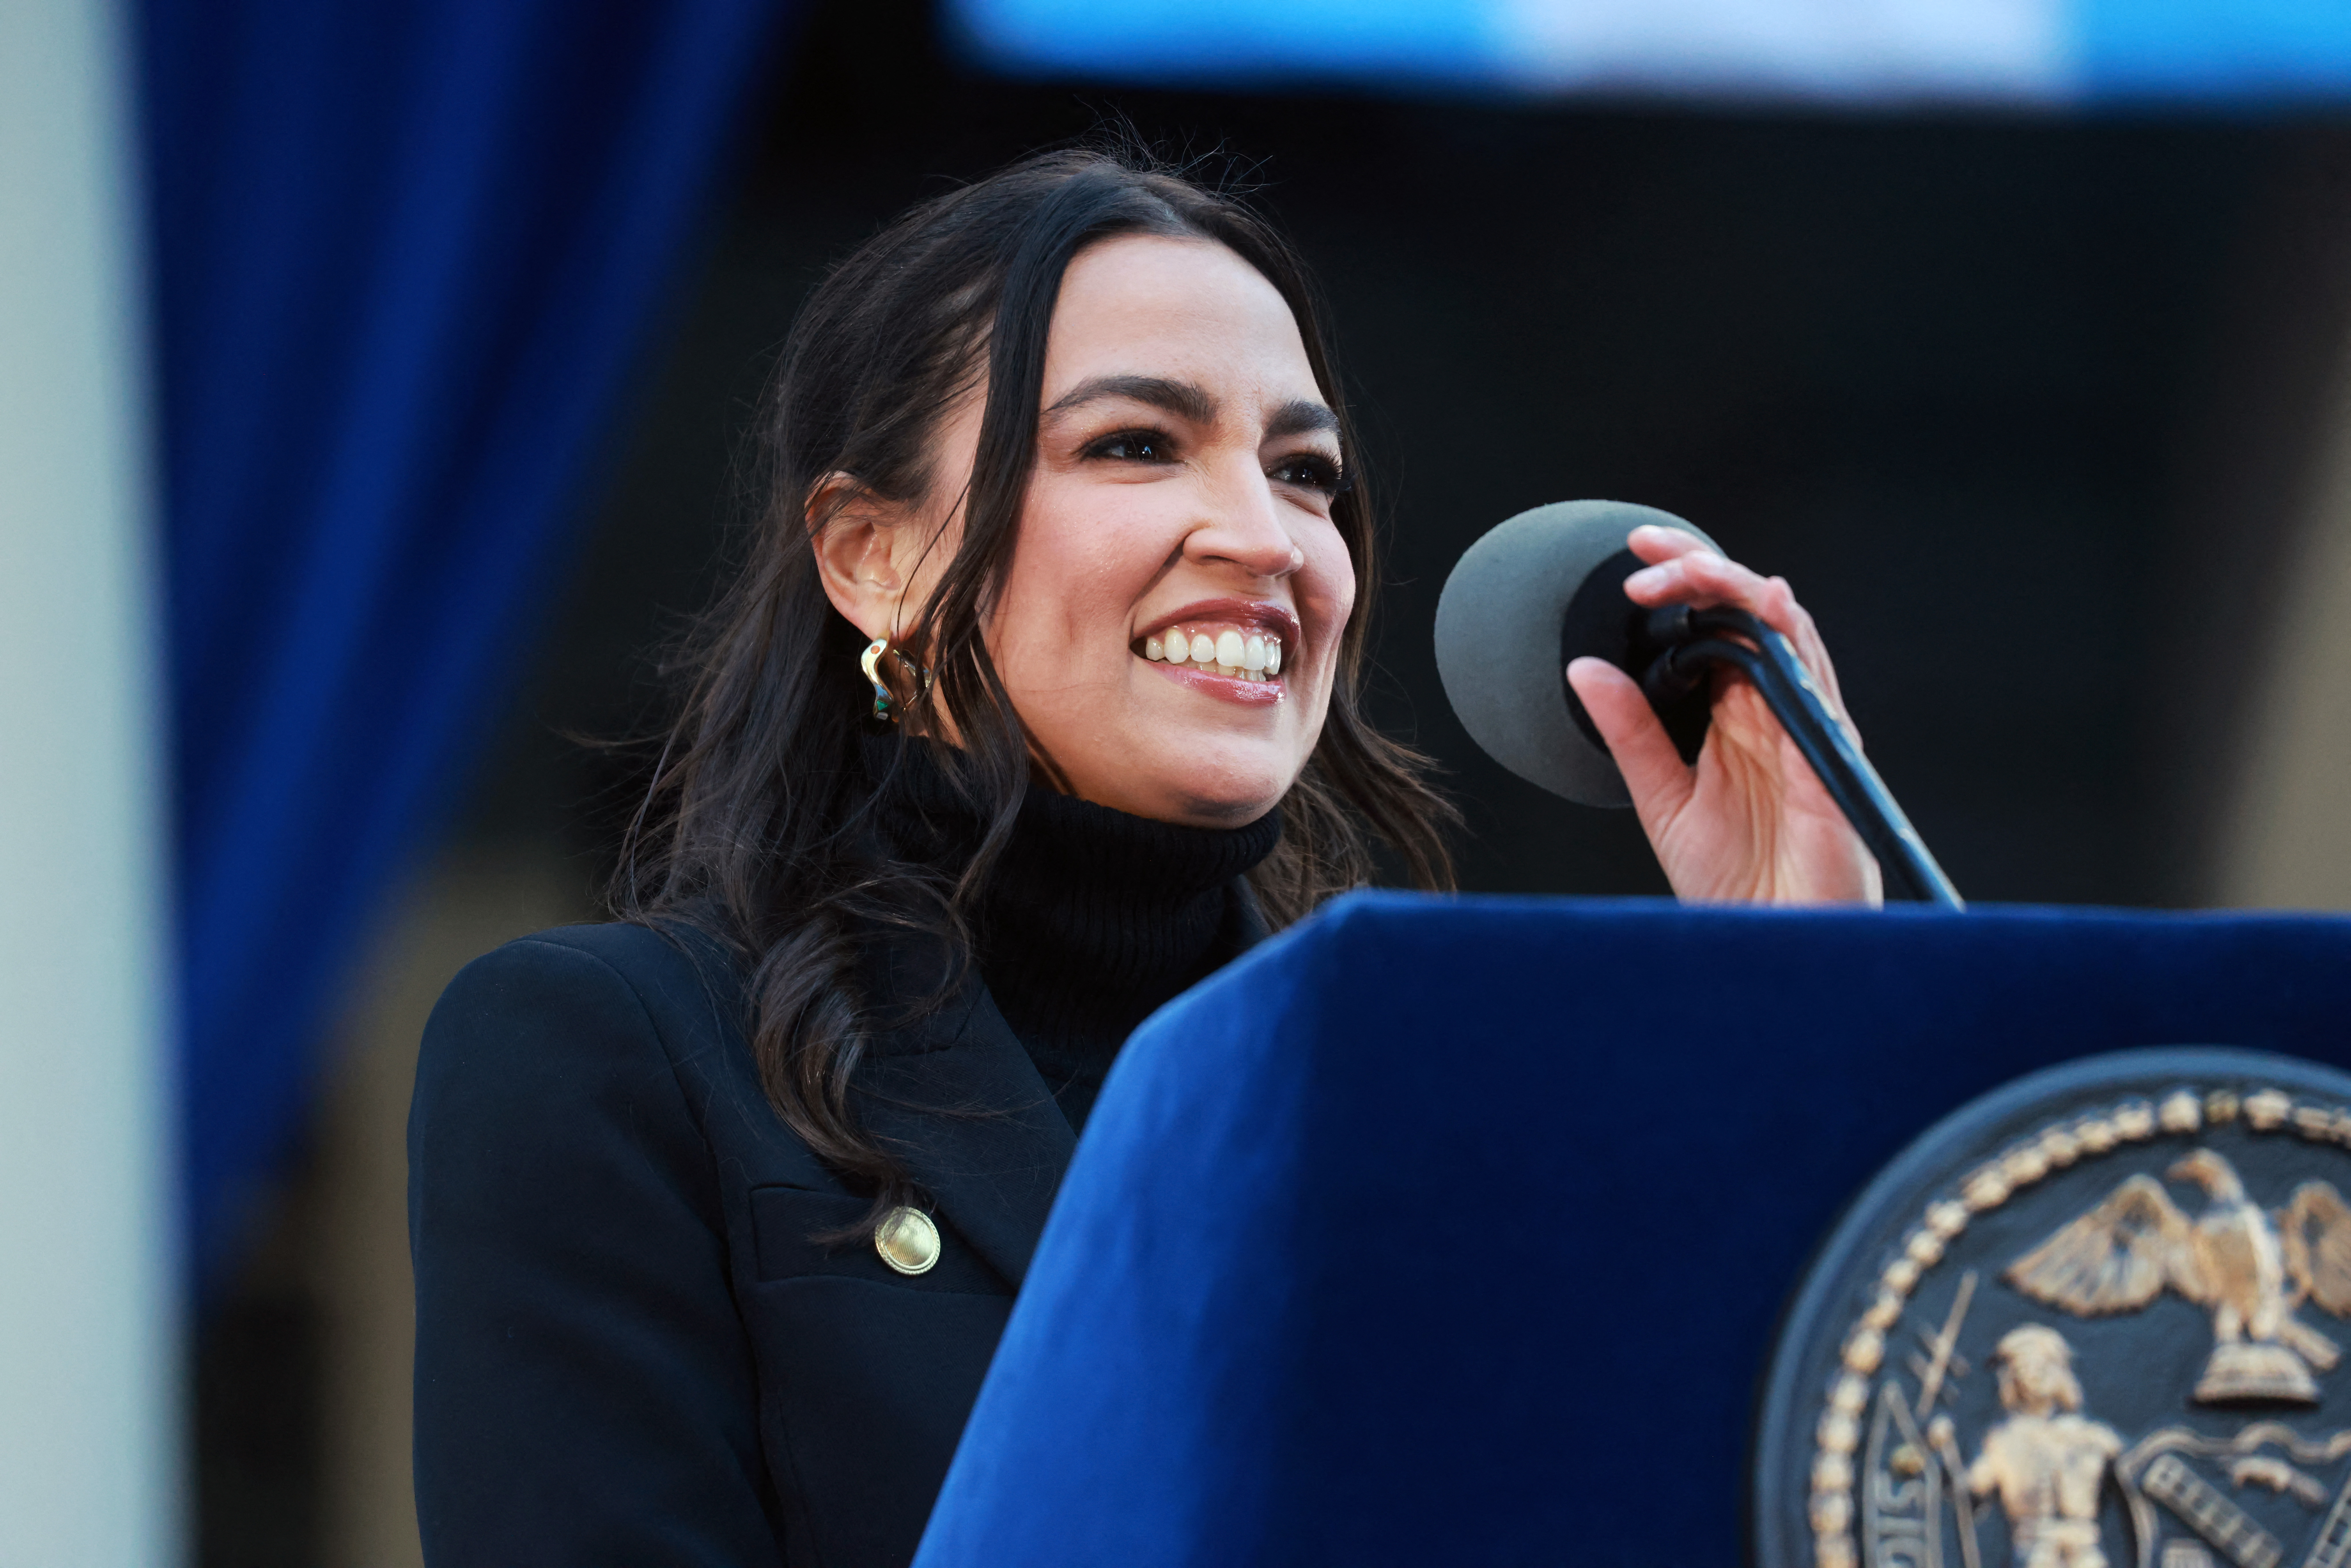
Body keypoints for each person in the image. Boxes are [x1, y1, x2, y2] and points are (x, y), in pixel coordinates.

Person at [407, 145, 1880, 1567]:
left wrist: (1789, 1007)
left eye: (1304, 474)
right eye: (1132, 444)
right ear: (872, 556)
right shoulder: (608, 1054)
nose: (1264, 535)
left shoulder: (1429, 1087)